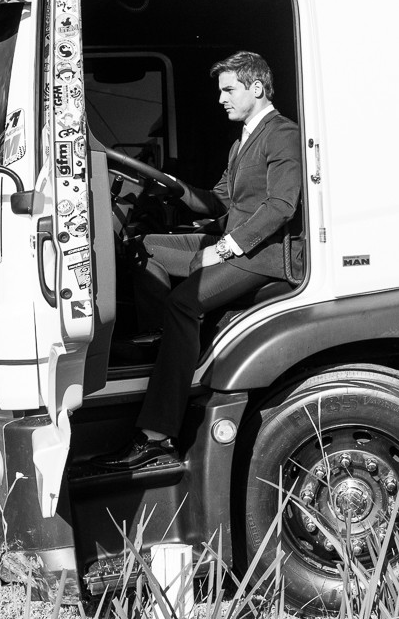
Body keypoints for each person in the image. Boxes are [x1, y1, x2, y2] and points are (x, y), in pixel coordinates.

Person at [96, 51, 302, 470]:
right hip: (235, 241)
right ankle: (165, 341)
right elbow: (220, 200)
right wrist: (171, 186)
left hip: (265, 256)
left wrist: (225, 248)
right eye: (221, 91)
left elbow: (281, 206)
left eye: (229, 90)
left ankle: (156, 436)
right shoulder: (241, 141)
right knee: (143, 245)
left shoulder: (282, 134)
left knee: (183, 303)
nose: (221, 99)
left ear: (256, 88)